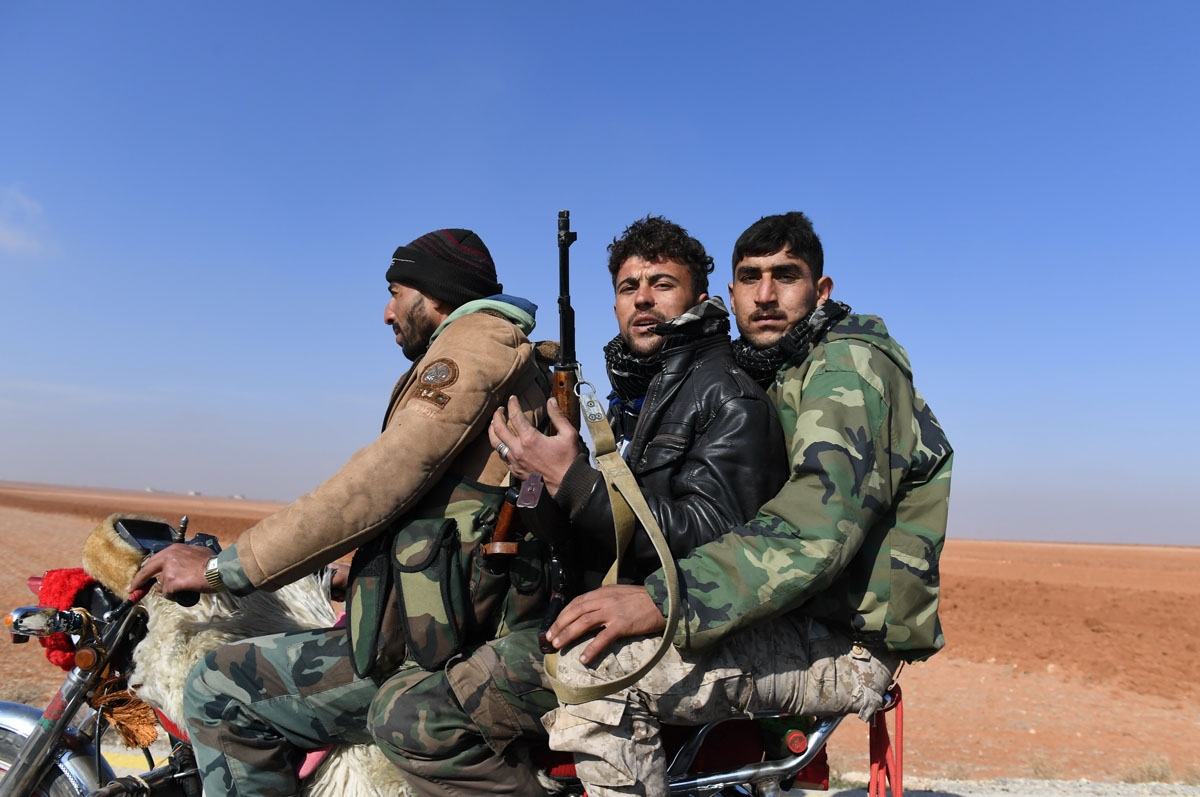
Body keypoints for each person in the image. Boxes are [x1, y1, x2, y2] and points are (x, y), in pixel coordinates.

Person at [368, 215, 788, 795]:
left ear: (701, 297)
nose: (642, 299)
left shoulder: (728, 396)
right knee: (408, 678)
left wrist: (572, 479)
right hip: (600, 609)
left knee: (410, 718)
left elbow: (708, 539)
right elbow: (587, 530)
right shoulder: (638, 397)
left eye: (662, 284)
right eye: (627, 288)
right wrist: (531, 483)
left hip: (670, 630)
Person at [540, 211, 954, 796]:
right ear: (730, 295)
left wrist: (663, 598)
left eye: (786, 275)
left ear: (821, 291)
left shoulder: (847, 367)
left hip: (846, 641)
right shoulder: (778, 368)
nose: (765, 295)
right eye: (750, 277)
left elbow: (816, 529)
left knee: (601, 674)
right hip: (794, 616)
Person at [129, 228, 553, 796]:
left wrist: (221, 569)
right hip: (444, 625)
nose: (386, 311)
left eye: (396, 291)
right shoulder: (501, 354)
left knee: (216, 686)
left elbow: (377, 483)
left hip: (435, 653)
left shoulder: (473, 349)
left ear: (435, 295)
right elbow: (452, 513)